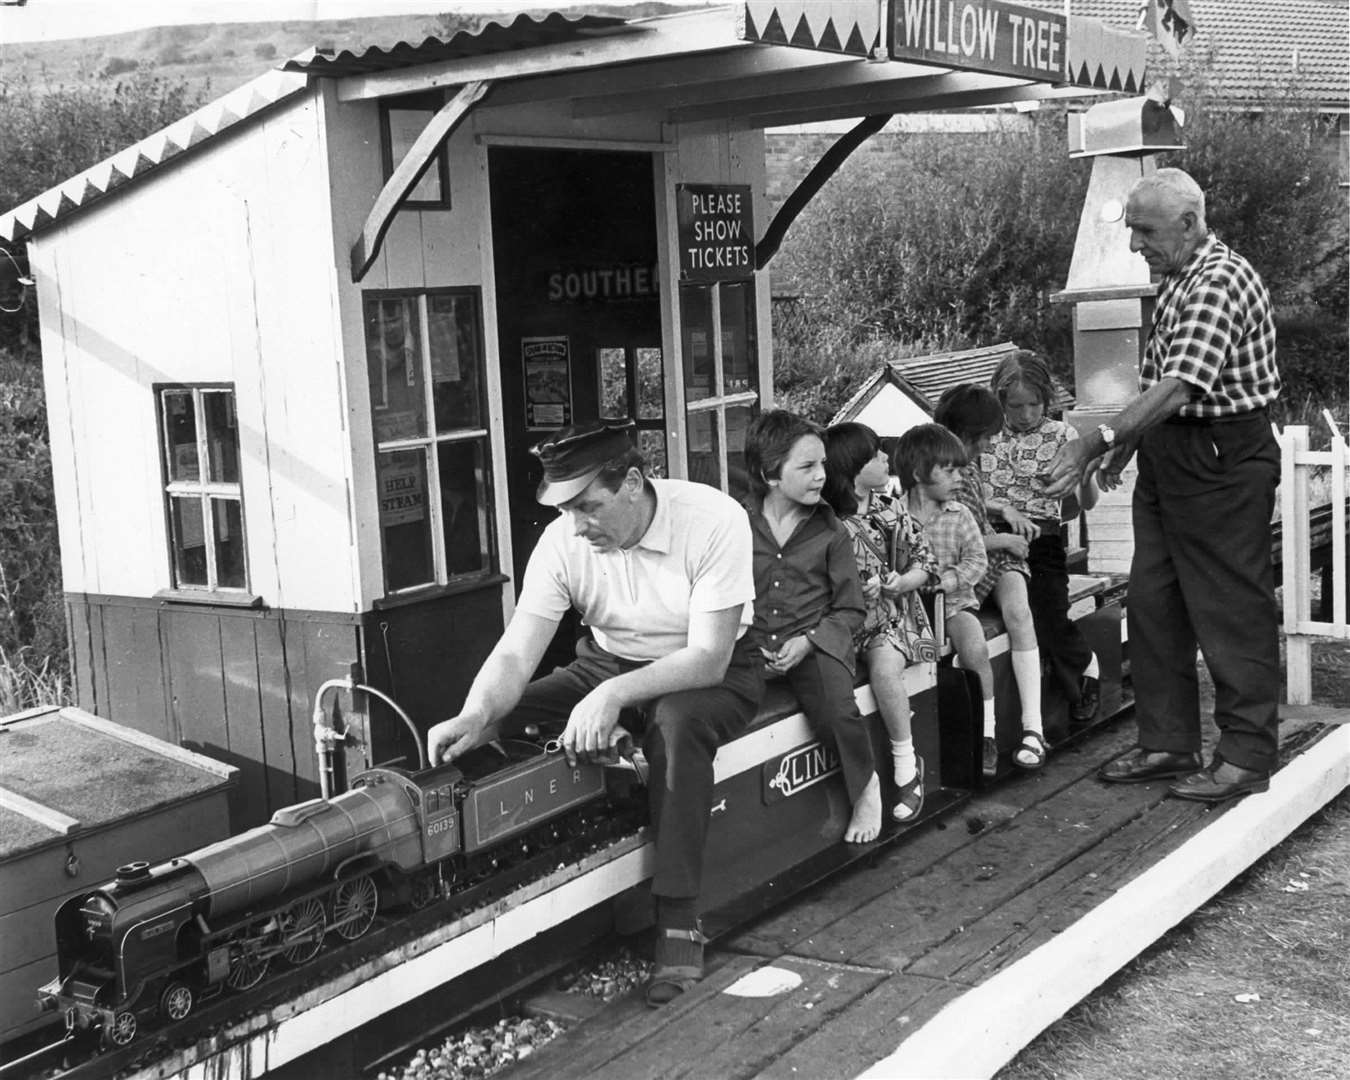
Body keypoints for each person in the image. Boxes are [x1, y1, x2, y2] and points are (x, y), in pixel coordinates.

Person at [425, 418, 765, 1006]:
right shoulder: (564, 540)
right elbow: (515, 651)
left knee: (676, 729)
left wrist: (611, 698)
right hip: (607, 663)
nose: (575, 526)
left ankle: (679, 923)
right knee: (505, 715)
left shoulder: (713, 519)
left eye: (588, 507)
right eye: (564, 510)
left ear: (633, 482)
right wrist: (476, 714)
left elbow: (709, 658)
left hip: (711, 670)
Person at [1044, 167, 1282, 803]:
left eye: (1145, 231)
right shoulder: (1180, 275)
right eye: (1131, 231)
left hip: (1221, 460)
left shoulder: (1217, 281)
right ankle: (1170, 742)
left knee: (1230, 611)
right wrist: (1133, 446)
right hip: (1177, 455)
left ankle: (1246, 756)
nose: (1134, 245)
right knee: (1154, 605)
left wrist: (1097, 440)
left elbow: (1181, 387)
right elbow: (1164, 390)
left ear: (1189, 222)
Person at [743, 410, 882, 844]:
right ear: (770, 475)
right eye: (806, 467)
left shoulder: (831, 532)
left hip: (813, 644)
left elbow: (851, 609)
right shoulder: (736, 525)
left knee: (837, 709)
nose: (822, 475)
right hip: (747, 646)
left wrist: (808, 641)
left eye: (822, 464)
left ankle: (866, 790)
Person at [824, 421, 939, 822]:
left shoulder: (891, 511)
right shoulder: (825, 522)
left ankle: (906, 765)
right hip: (841, 624)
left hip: (890, 618)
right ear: (853, 467)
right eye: (876, 454)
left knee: (885, 668)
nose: (886, 458)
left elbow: (926, 562)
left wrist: (900, 582)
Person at [933, 386, 1048, 775]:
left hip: (992, 562)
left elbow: (979, 504)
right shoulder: (941, 470)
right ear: (964, 434)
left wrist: (1005, 508)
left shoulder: (967, 466)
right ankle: (989, 732)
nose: (985, 446)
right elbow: (953, 541)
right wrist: (1005, 539)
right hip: (968, 564)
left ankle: (1034, 727)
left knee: (1019, 612)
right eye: (981, 439)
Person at [984, 350, 1102, 724]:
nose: (1026, 414)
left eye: (1034, 404)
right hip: (990, 532)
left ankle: (1084, 671)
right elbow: (966, 490)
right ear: (1001, 401)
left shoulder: (1062, 435)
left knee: (1048, 609)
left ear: (1045, 400)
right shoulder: (986, 436)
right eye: (1016, 405)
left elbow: (1085, 503)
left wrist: (1085, 476)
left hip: (1042, 535)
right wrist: (1002, 509)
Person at [892, 423, 1000, 775]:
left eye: (960, 470)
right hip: (907, 609)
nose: (960, 477)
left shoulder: (960, 514)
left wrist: (948, 581)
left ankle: (987, 732)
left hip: (952, 605)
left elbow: (977, 559)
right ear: (918, 472)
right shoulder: (894, 516)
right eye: (949, 470)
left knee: (974, 647)